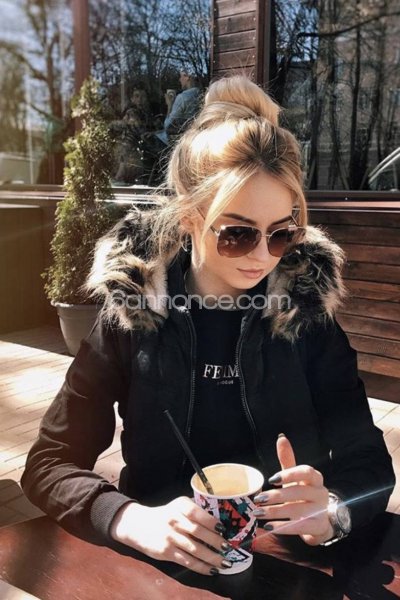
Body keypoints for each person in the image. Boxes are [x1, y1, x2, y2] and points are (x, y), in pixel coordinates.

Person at [21, 76, 395, 578]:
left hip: (288, 564)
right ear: (190, 217)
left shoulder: (305, 318)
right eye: (238, 233)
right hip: (160, 562)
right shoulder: (135, 313)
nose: (262, 256)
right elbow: (49, 461)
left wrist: (333, 509)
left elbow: (368, 462)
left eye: (281, 234)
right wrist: (127, 518)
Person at [141, 71, 202, 183]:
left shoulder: (182, 97)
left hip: (172, 142)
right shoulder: (200, 95)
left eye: (181, 76)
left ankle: (148, 179)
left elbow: (168, 125)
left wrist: (169, 104)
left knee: (144, 141)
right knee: (152, 135)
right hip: (189, 139)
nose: (179, 80)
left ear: (187, 77)